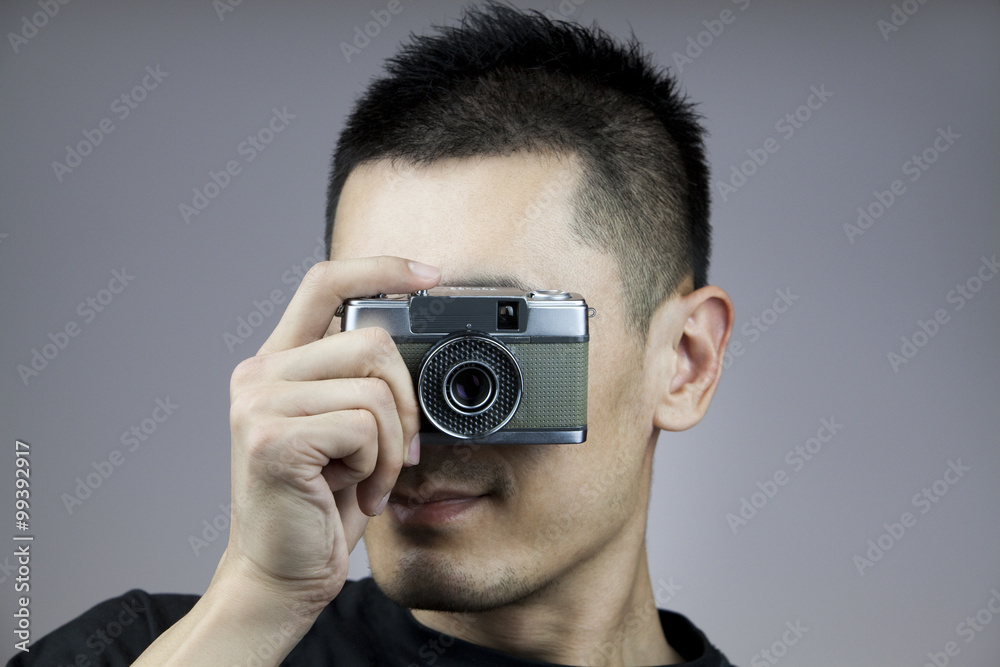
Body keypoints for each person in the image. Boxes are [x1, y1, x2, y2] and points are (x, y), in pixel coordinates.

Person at [9, 4, 736, 666]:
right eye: (391, 330)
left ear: (684, 362)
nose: (430, 413)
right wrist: (257, 598)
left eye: (493, 339)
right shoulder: (138, 650)